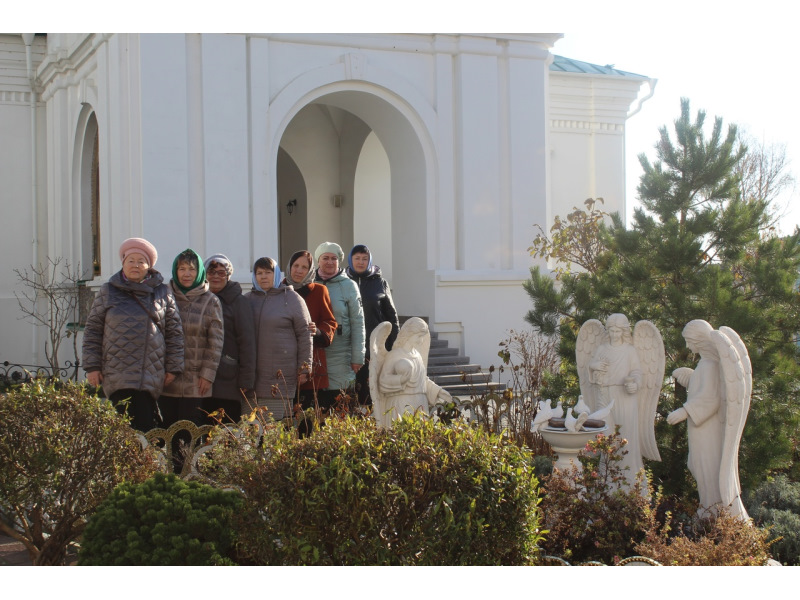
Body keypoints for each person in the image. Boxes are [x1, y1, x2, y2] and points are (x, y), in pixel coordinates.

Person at [82, 237, 184, 432]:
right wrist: (92, 366)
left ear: (149, 266)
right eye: (131, 260)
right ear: (123, 263)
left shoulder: (162, 292)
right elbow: (93, 330)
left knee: (146, 428)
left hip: (150, 372)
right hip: (117, 372)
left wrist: (173, 367)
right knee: (121, 430)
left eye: (141, 261)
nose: (135, 265)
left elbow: (174, 333)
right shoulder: (108, 291)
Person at [667, 320, 751, 519]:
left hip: (707, 430)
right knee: (698, 465)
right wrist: (690, 377)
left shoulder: (710, 365)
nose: (688, 346)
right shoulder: (706, 364)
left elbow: (711, 399)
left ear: (699, 340)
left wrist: (685, 411)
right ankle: (709, 507)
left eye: (689, 341)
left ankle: (714, 510)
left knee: (706, 466)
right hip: (701, 428)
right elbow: (705, 388)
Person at [159, 249, 224, 429]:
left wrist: (207, 375)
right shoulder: (164, 297)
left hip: (196, 380)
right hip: (167, 379)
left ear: (199, 272)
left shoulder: (210, 301)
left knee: (190, 430)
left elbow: (215, 343)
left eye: (191, 269)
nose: (187, 274)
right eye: (182, 269)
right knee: (167, 430)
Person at [247, 256, 313, 421]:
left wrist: (304, 368)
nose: (263, 277)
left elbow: (305, 334)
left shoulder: (292, 299)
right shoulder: (247, 300)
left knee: (275, 427)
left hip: (280, 377)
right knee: (250, 428)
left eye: (268, 272)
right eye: (259, 273)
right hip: (251, 381)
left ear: (276, 274)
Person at [202, 253, 257, 424]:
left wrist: (246, 379)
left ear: (228, 275)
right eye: (211, 272)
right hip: (200, 380)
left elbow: (247, 342)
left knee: (225, 431)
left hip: (227, 380)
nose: (216, 276)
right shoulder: (199, 299)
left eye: (221, 272)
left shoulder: (238, 302)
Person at [369, 317, 451, 428]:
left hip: (420, 403)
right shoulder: (395, 355)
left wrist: (438, 391)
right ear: (409, 334)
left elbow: (423, 380)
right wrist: (400, 380)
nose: (421, 341)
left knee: (419, 435)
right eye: (419, 336)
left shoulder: (417, 356)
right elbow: (383, 381)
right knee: (401, 433)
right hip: (401, 403)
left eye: (422, 337)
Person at [345, 244, 399, 405]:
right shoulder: (343, 281)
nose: (360, 262)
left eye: (364, 259)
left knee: (372, 393)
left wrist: (395, 346)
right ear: (350, 260)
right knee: (348, 394)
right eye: (357, 258)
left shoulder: (380, 282)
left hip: (375, 347)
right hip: (348, 347)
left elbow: (392, 316)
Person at [282, 250, 336, 411]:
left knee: (309, 418)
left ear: (311, 270)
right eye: (295, 266)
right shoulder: (279, 290)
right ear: (289, 267)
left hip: (311, 362)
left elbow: (330, 321)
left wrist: (318, 331)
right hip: (283, 360)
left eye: (304, 267)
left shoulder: (319, 291)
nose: (299, 270)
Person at [314, 242, 366, 400]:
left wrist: (357, 357)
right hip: (316, 352)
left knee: (339, 400)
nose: (330, 262)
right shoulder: (310, 283)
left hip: (341, 355)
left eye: (334, 258)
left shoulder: (349, 286)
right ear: (318, 260)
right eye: (325, 258)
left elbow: (358, 322)